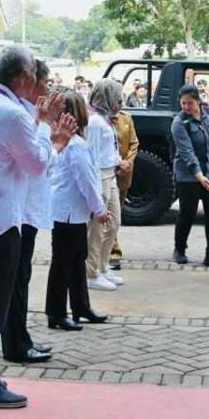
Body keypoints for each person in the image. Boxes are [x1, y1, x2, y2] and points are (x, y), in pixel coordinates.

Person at [0, 45, 76, 408]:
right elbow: (38, 164)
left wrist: (38, 126)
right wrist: (55, 139)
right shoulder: (10, 114)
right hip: (0, 221)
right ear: (22, 78)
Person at [0, 59, 59, 368]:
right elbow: (38, 162)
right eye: (44, 83)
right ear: (30, 81)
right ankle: (15, 343)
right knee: (16, 280)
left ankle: (20, 338)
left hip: (26, 208)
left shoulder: (27, 113)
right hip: (20, 210)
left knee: (20, 278)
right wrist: (51, 132)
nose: (47, 89)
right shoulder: (20, 114)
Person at [46, 91, 112, 330]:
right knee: (64, 263)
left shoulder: (71, 143)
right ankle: (56, 312)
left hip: (68, 210)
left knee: (75, 260)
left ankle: (80, 305)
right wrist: (100, 209)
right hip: (69, 212)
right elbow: (87, 181)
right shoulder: (75, 146)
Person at [171, 84, 209, 268]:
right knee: (187, 212)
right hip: (188, 176)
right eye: (183, 103)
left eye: (190, 103)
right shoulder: (179, 123)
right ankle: (179, 249)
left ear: (199, 101)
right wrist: (199, 175)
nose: (186, 107)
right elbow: (187, 152)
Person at [85, 79, 125, 290]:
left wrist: (119, 161)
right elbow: (91, 156)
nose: (120, 103)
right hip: (100, 176)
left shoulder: (106, 120)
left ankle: (102, 266)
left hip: (111, 174)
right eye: (116, 98)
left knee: (114, 223)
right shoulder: (95, 123)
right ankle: (91, 272)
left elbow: (108, 151)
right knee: (97, 228)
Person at [109, 97, 140, 269]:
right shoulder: (99, 121)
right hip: (108, 172)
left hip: (124, 173)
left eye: (121, 102)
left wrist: (127, 162)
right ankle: (113, 251)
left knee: (116, 213)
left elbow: (134, 143)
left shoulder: (126, 118)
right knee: (108, 214)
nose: (118, 106)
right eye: (116, 102)